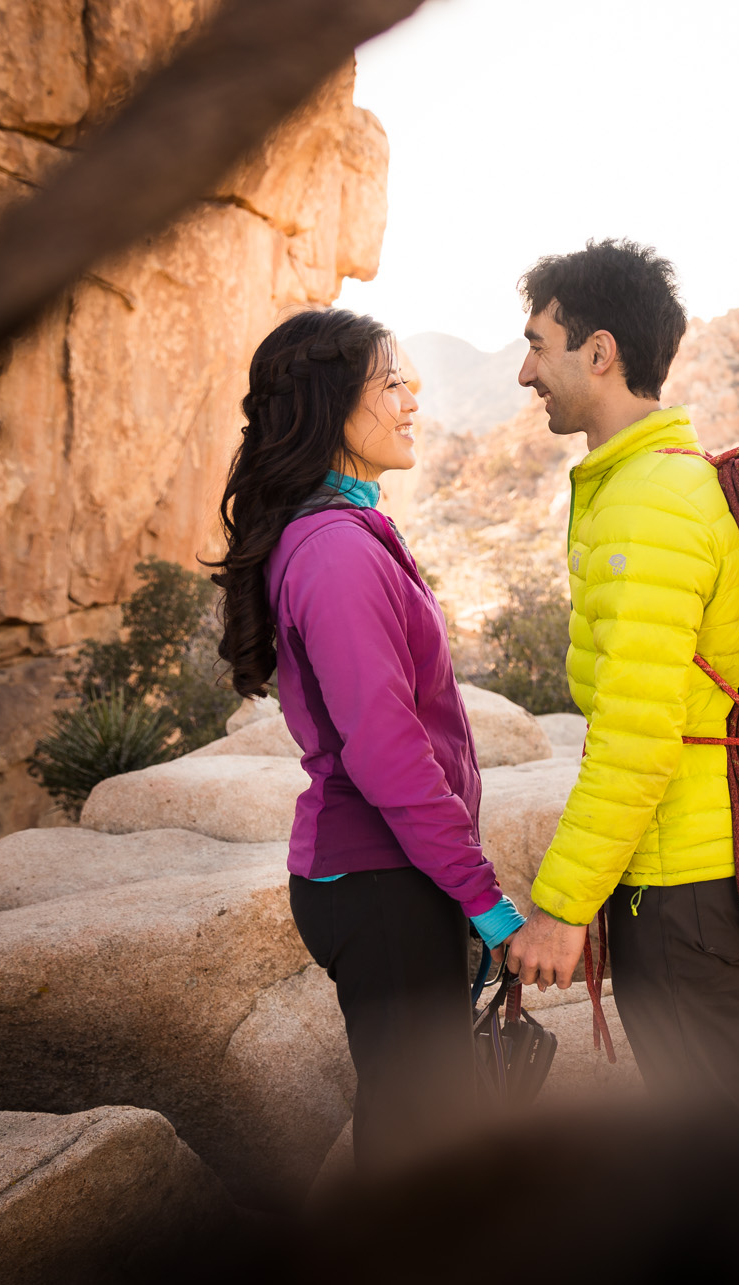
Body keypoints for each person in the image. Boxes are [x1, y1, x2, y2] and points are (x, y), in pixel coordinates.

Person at [210, 308, 527, 1169]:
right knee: (420, 1144)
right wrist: (486, 901)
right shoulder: (335, 551)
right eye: (390, 381)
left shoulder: (343, 531)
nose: (411, 397)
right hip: (379, 884)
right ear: (330, 405)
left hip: (387, 878)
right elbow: (386, 753)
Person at [501, 239, 739, 1137]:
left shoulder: (648, 501)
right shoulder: (652, 483)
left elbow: (635, 733)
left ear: (600, 351)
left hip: (680, 885)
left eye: (539, 345)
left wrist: (561, 909)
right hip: (693, 870)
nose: (523, 372)